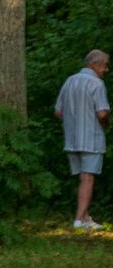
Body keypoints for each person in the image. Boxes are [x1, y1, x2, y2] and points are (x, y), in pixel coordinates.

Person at [54, 49, 110, 231]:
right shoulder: (97, 84)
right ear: (94, 64)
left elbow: (58, 111)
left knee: (82, 178)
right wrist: (106, 123)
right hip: (91, 139)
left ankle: (86, 218)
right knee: (88, 179)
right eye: (104, 65)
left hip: (72, 139)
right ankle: (78, 220)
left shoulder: (69, 81)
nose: (106, 69)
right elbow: (102, 113)